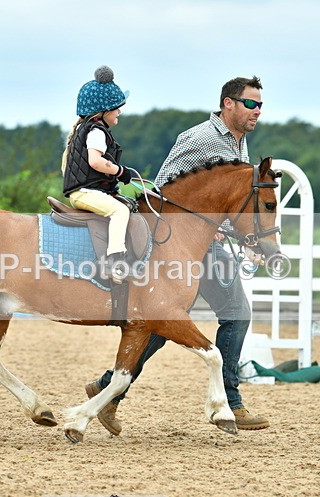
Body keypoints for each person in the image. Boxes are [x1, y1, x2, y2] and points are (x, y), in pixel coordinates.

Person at [86, 75, 270, 434]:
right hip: (182, 245)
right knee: (233, 313)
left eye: (261, 105)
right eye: (251, 103)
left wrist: (247, 238)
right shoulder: (199, 138)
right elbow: (164, 187)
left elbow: (228, 205)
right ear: (228, 103)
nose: (257, 111)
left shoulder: (240, 143)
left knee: (162, 325)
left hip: (207, 245)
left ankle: (108, 388)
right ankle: (231, 403)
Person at [62, 66, 141, 284]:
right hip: (84, 193)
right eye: (117, 108)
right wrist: (119, 171)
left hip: (88, 190)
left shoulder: (88, 129)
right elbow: (95, 161)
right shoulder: (96, 131)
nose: (119, 112)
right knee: (119, 210)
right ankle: (114, 262)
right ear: (103, 111)